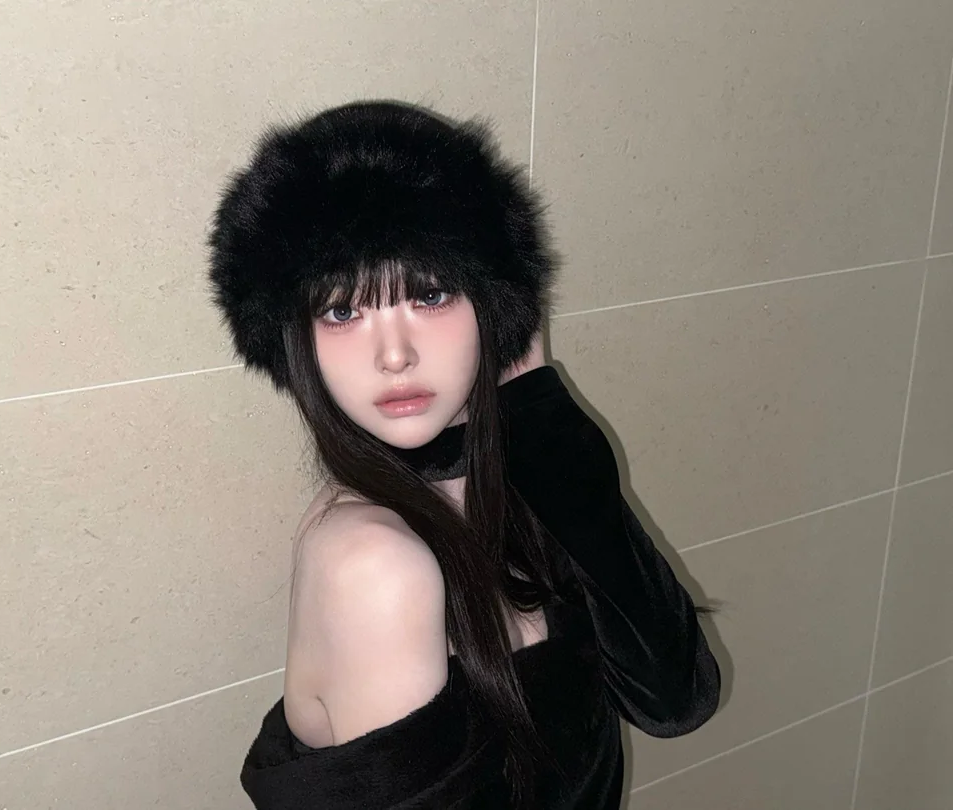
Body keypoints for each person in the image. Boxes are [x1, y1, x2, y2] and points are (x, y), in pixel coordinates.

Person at [207, 100, 721, 809]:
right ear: (296, 341)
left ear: (494, 308)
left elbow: (674, 699)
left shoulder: (519, 492)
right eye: (344, 311)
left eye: (431, 294)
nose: (394, 354)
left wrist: (540, 413)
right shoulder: (377, 567)